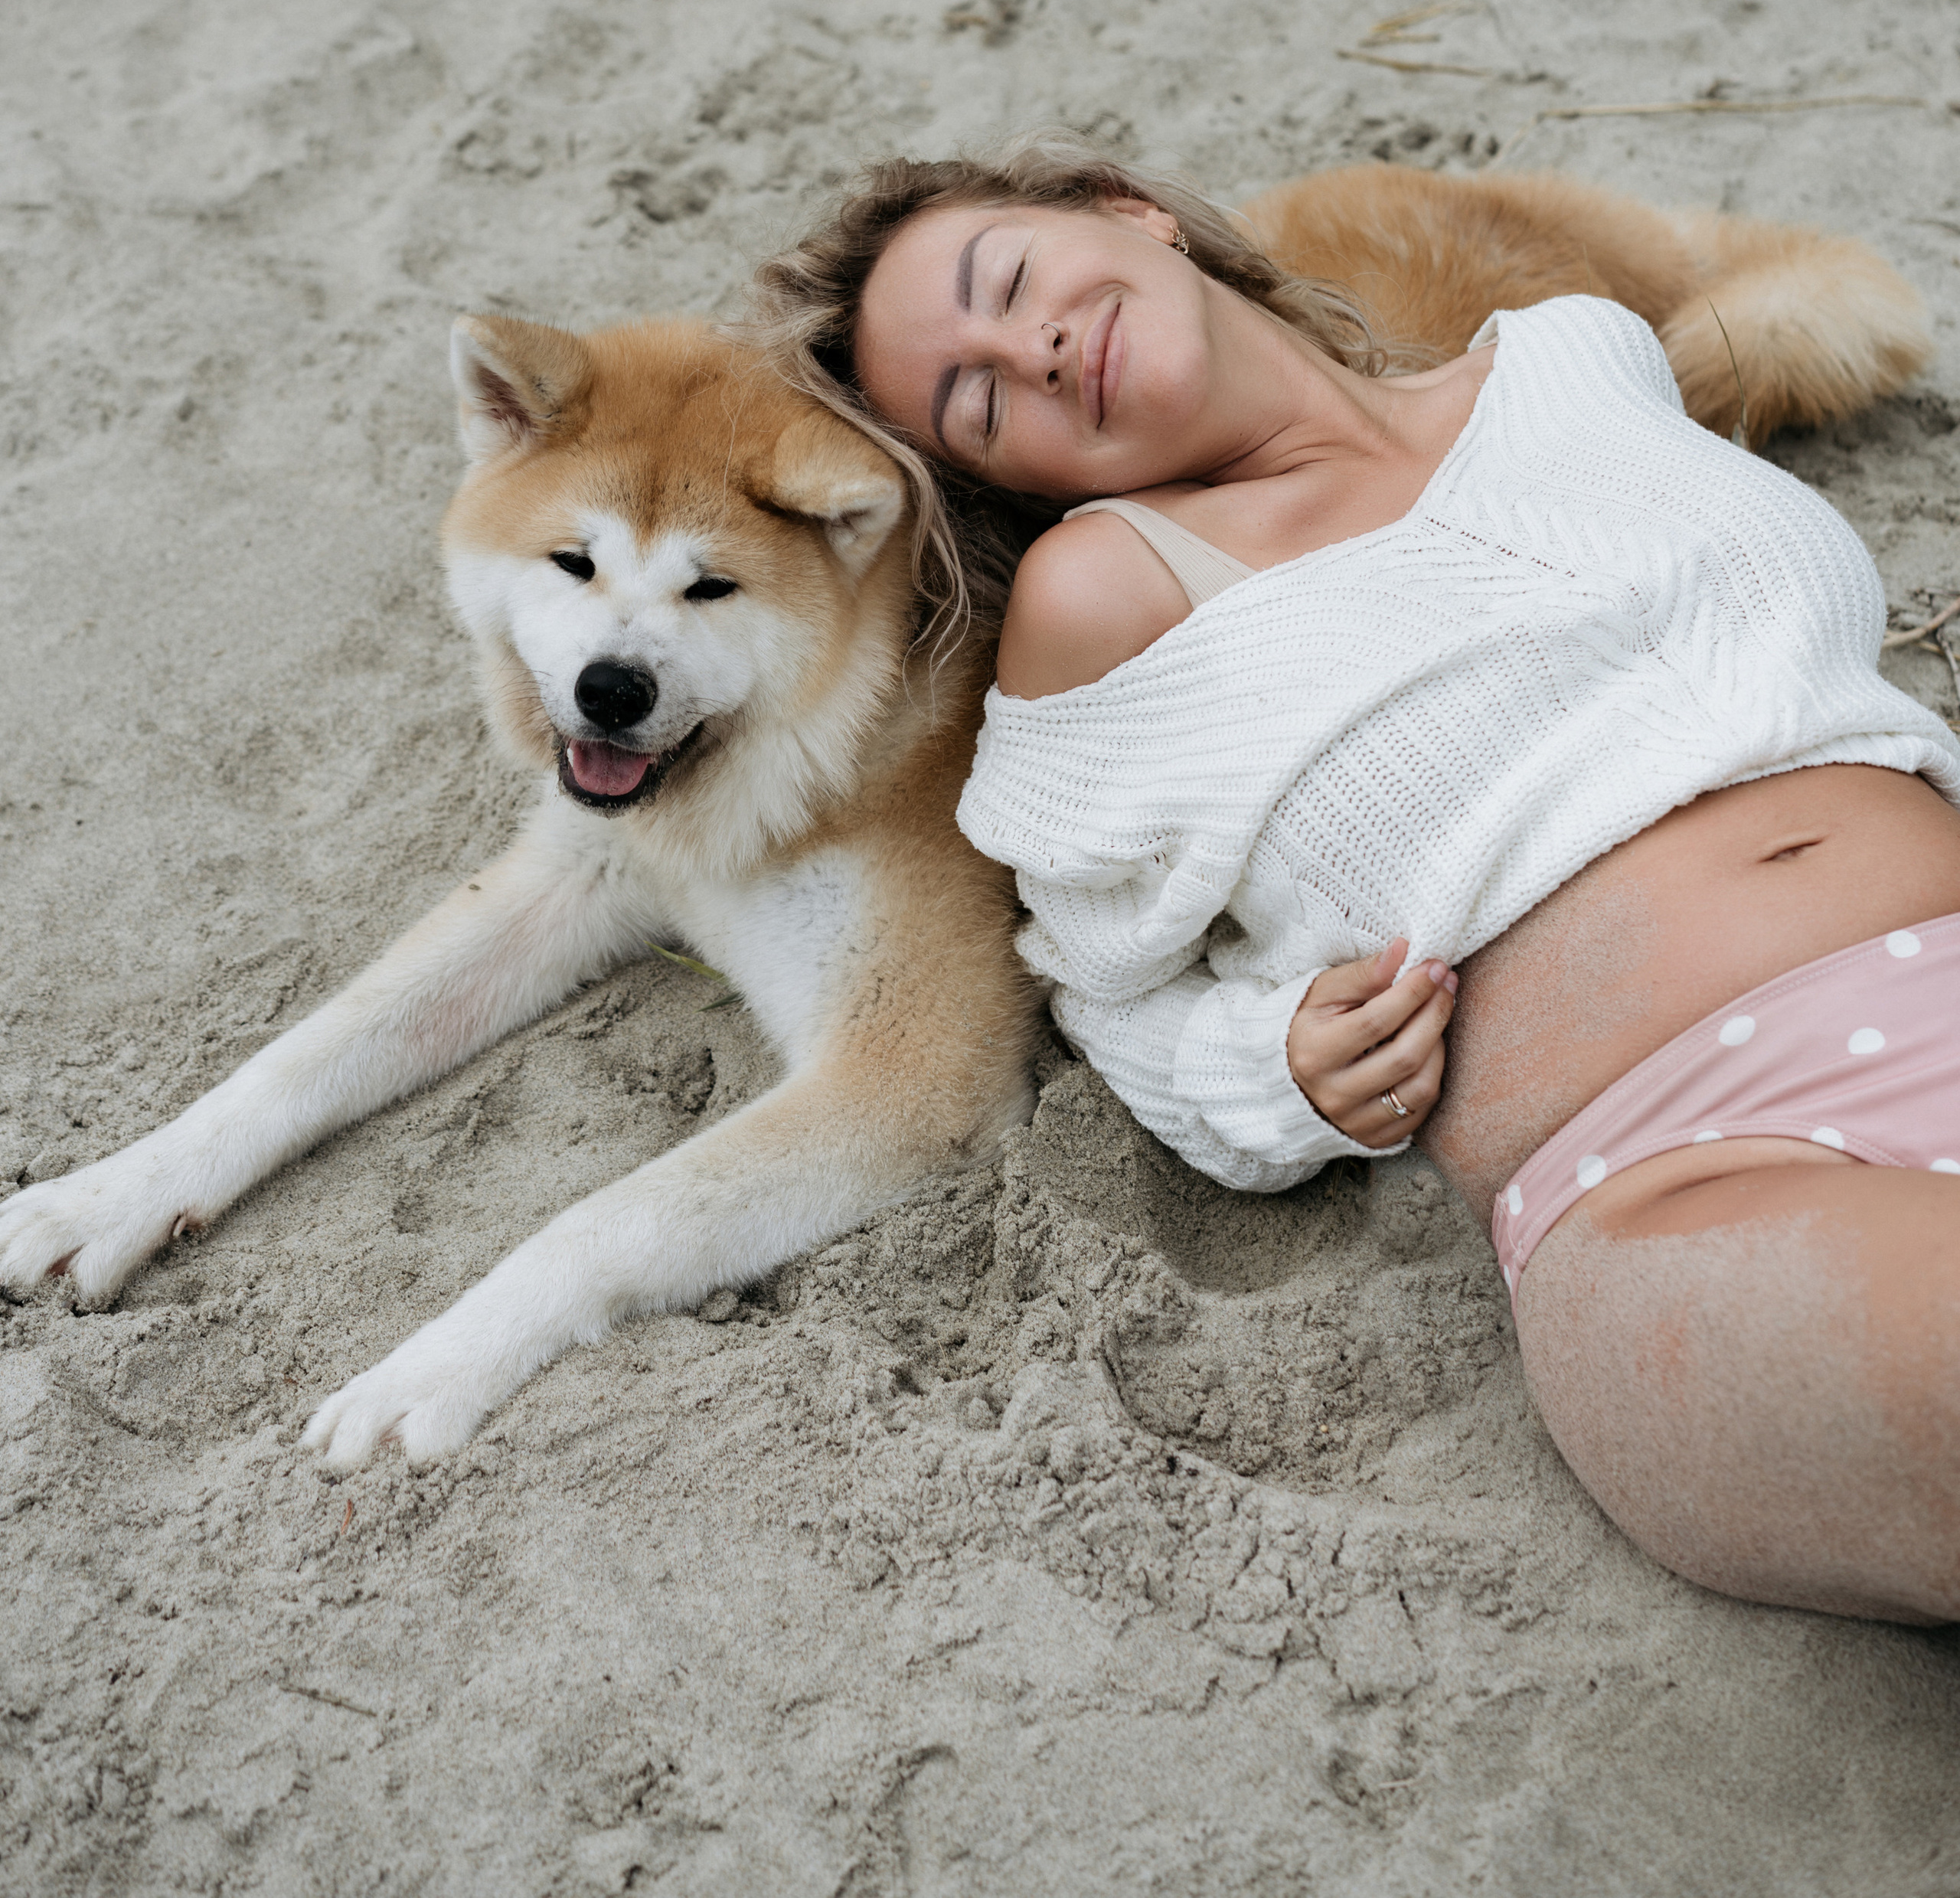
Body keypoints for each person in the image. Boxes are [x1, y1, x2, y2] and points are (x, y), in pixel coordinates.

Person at [750, 137, 1960, 1623]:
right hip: (1690, 1169)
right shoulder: (1114, 592)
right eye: (977, 397)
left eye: (1009, 279)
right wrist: (1267, 1071)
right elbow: (1093, 980)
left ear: (1127, 215)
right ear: (1005, 477)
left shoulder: (1573, 358)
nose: (1034, 345)